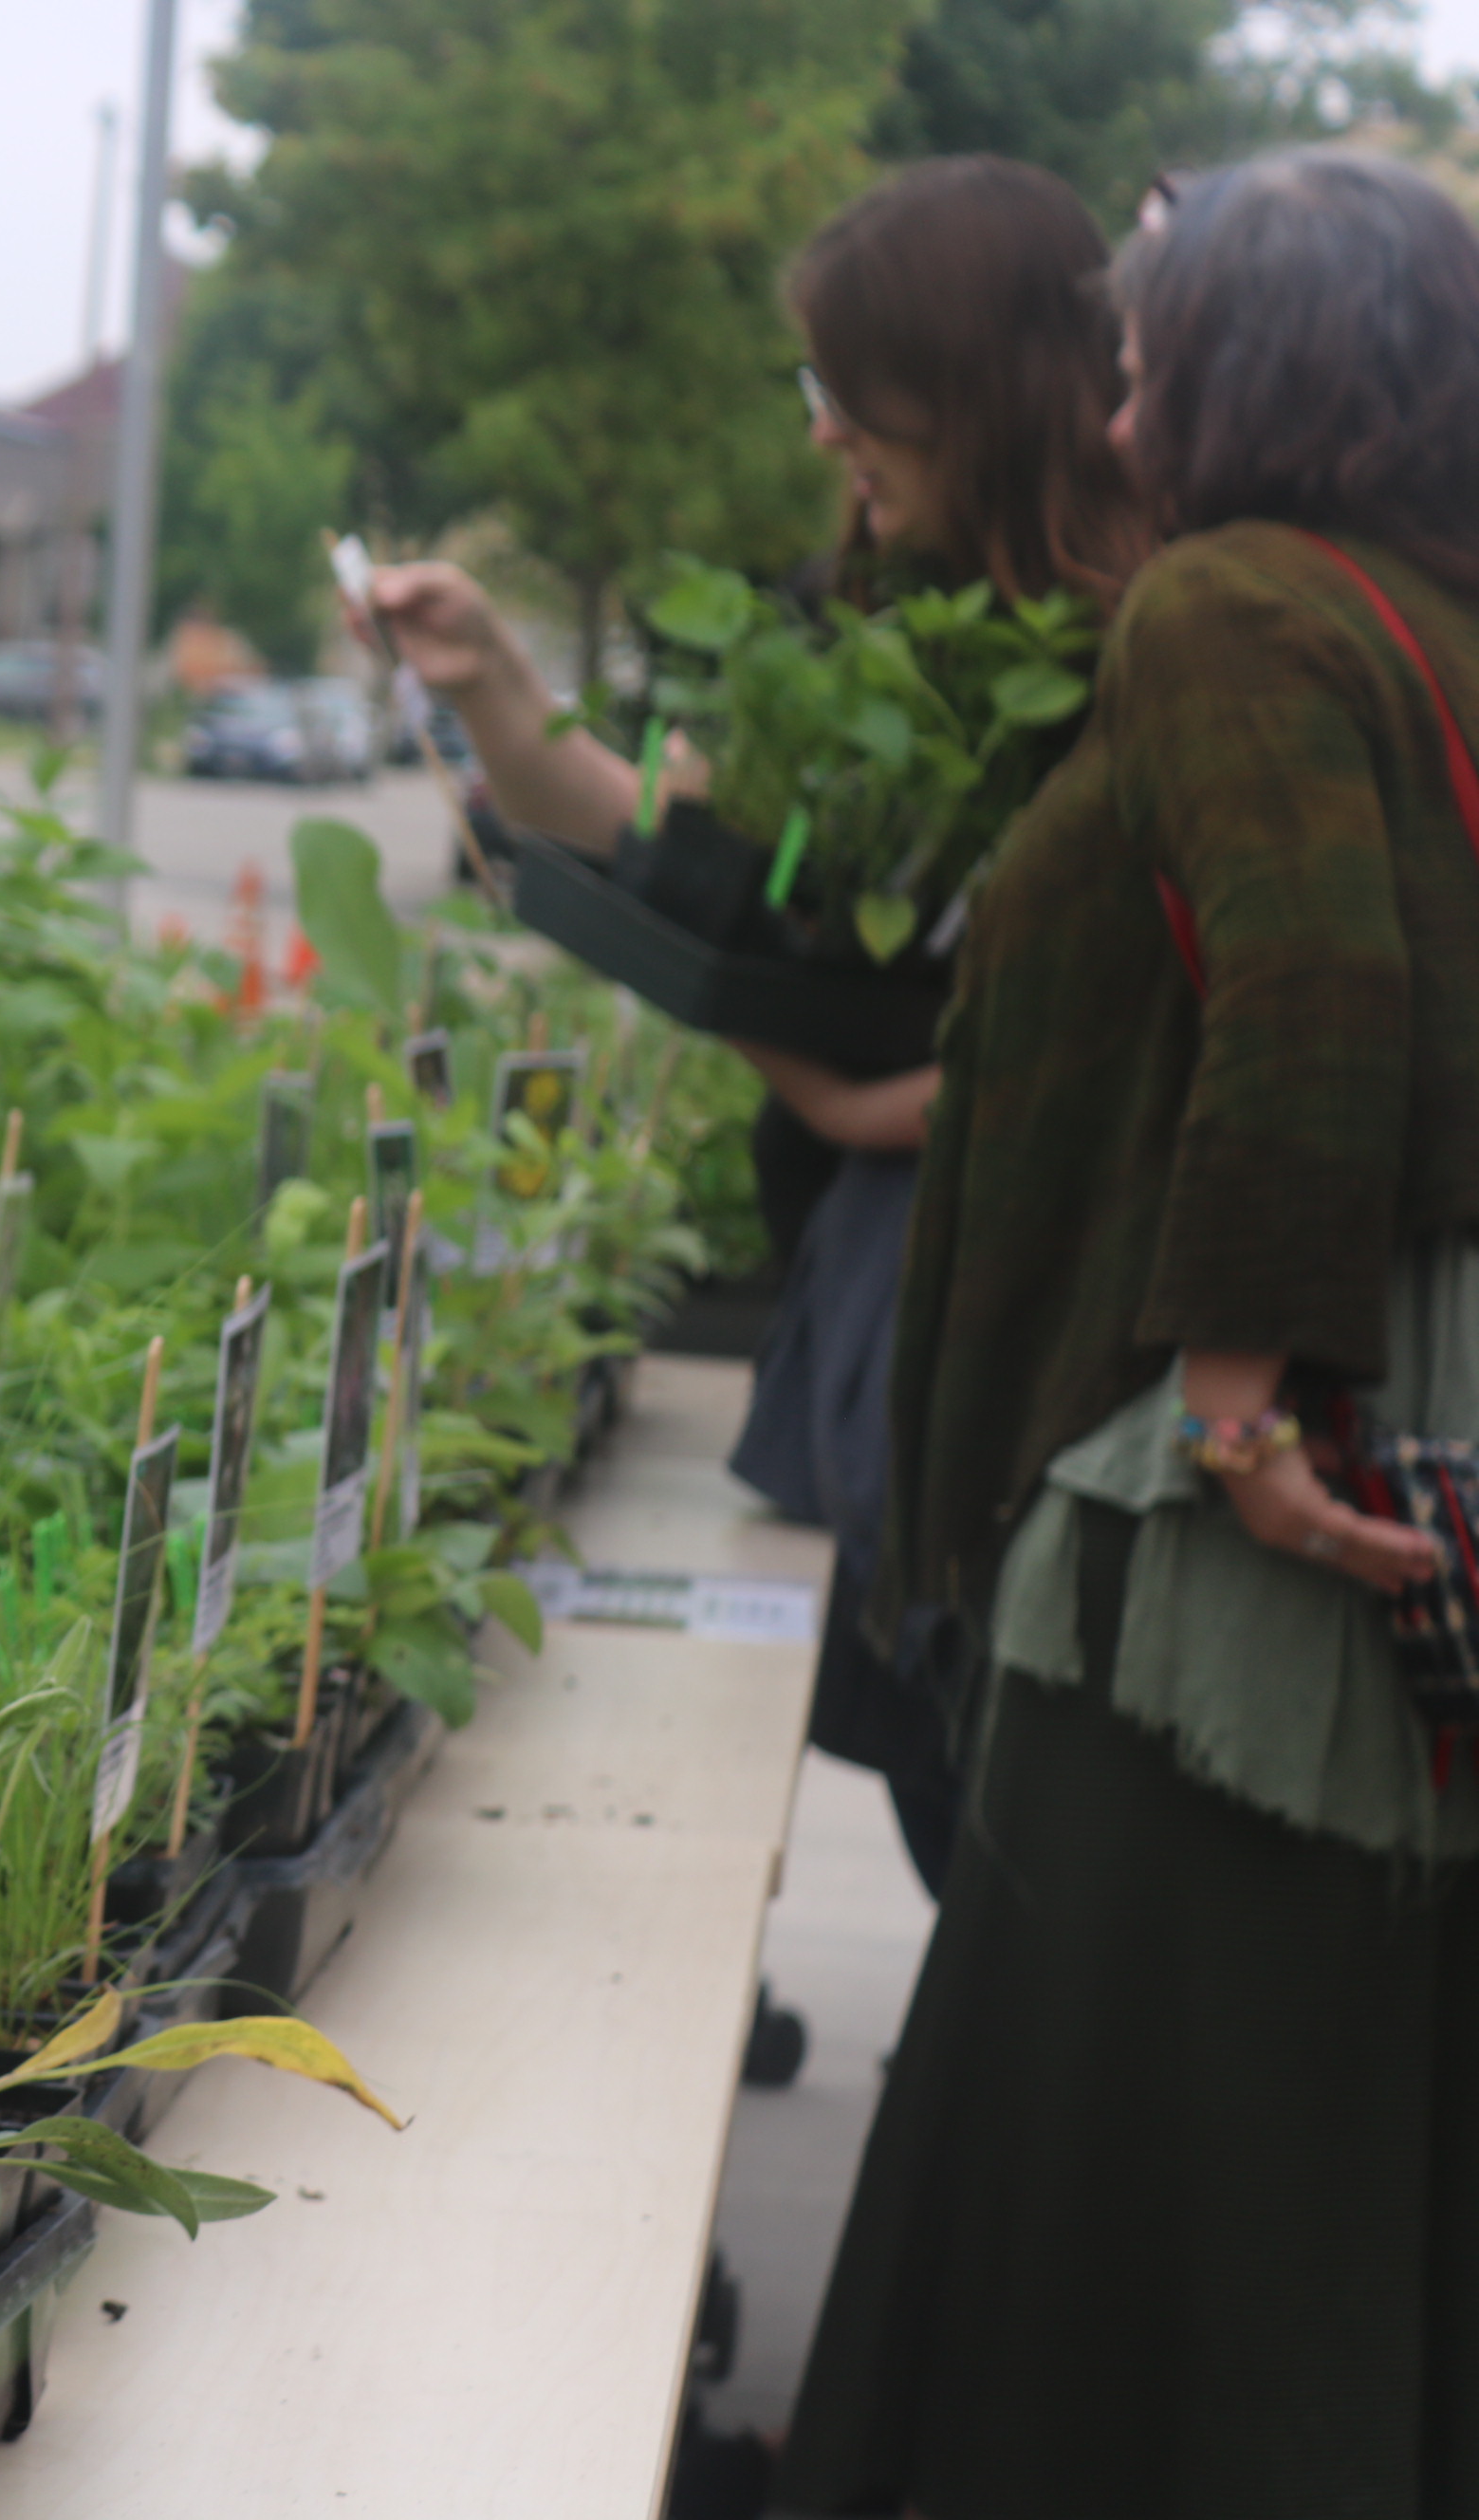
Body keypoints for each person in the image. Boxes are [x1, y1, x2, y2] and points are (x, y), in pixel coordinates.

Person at [779, 148, 1479, 2519]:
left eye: (1156, 339)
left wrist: (1236, 1419)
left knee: (1106, 2069)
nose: (1122, 383)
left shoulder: (1230, 607)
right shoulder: (1429, 610)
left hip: (1271, 1443)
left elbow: (1316, 988)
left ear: (1254, 373)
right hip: (1422, 1382)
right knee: (1342, 2070)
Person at [366, 157, 1150, 1895]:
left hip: (1059, 1350)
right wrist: (489, 672)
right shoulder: (878, 638)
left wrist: (887, 1104)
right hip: (907, 1325)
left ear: (974, 386)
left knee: (1022, 1821)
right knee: (969, 1806)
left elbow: (1156, 1026)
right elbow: (656, 821)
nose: (823, 436)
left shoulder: (1150, 657)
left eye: (849, 392)